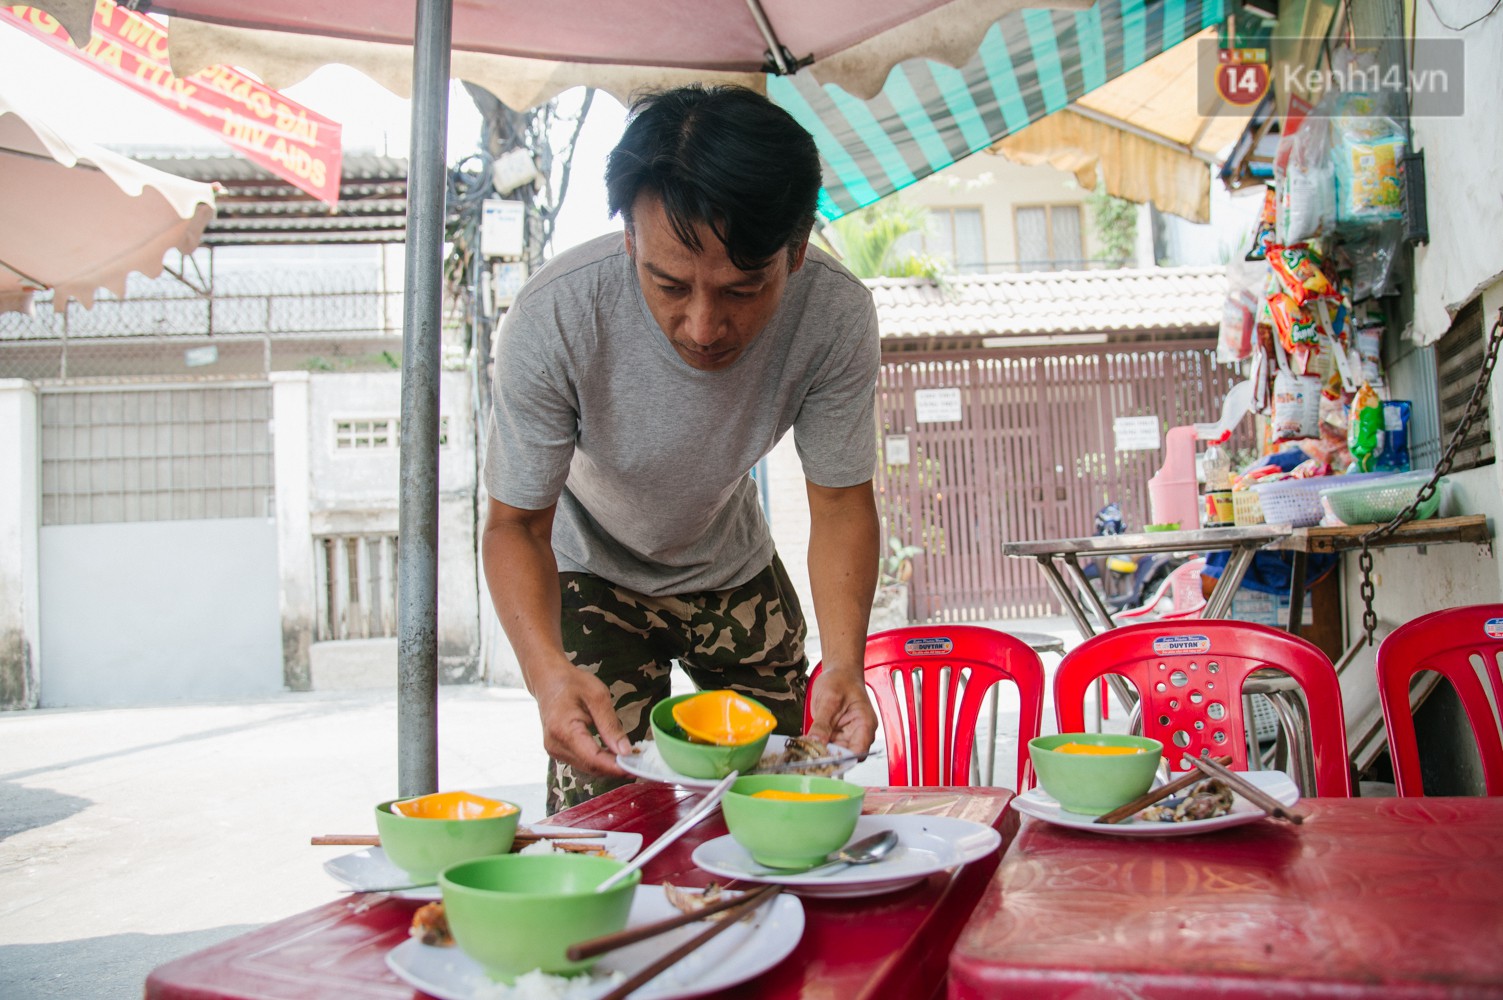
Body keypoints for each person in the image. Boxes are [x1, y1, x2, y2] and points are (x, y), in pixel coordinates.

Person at [481, 84, 880, 814]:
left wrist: (847, 662)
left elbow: (840, 501)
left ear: (794, 252)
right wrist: (545, 674)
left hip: (730, 563)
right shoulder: (554, 317)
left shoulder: (834, 314)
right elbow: (514, 526)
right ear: (629, 236)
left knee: (793, 785)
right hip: (589, 568)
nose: (701, 326)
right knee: (608, 811)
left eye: (741, 290)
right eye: (668, 284)